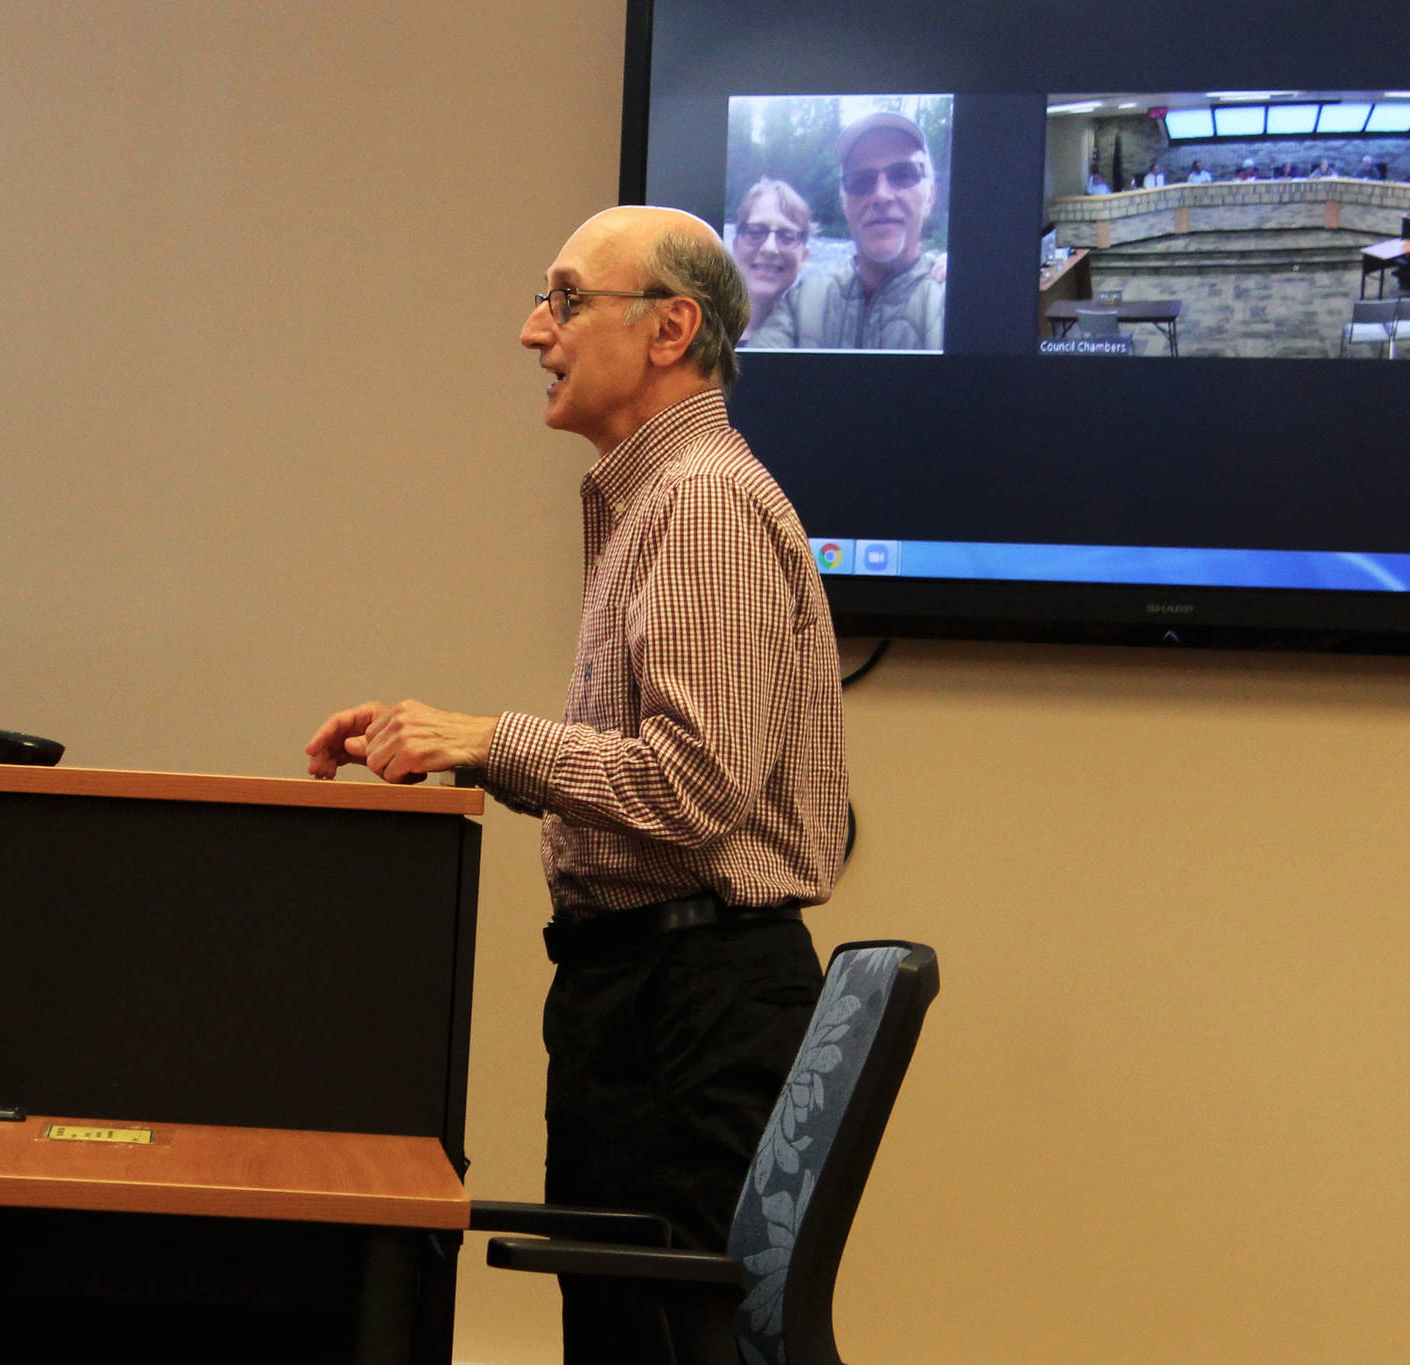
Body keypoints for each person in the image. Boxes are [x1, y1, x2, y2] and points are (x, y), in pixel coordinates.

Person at [306, 205, 847, 1365]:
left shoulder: (699, 502)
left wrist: (495, 740)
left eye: (561, 298)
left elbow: (694, 788)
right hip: (648, 991)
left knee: (658, 1343)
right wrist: (455, 742)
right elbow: (650, 779)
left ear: (669, 329)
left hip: (687, 1005)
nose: (527, 330)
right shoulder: (652, 497)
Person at [745, 110, 945, 350]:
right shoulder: (802, 303)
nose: (881, 195)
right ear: (844, 204)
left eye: (903, 175)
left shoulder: (955, 301)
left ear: (930, 196)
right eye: (861, 180)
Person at [730, 176, 813, 340]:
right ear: (735, 246)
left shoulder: (817, 339)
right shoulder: (702, 331)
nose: (770, 248)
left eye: (787, 236)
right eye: (755, 232)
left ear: (804, 256)